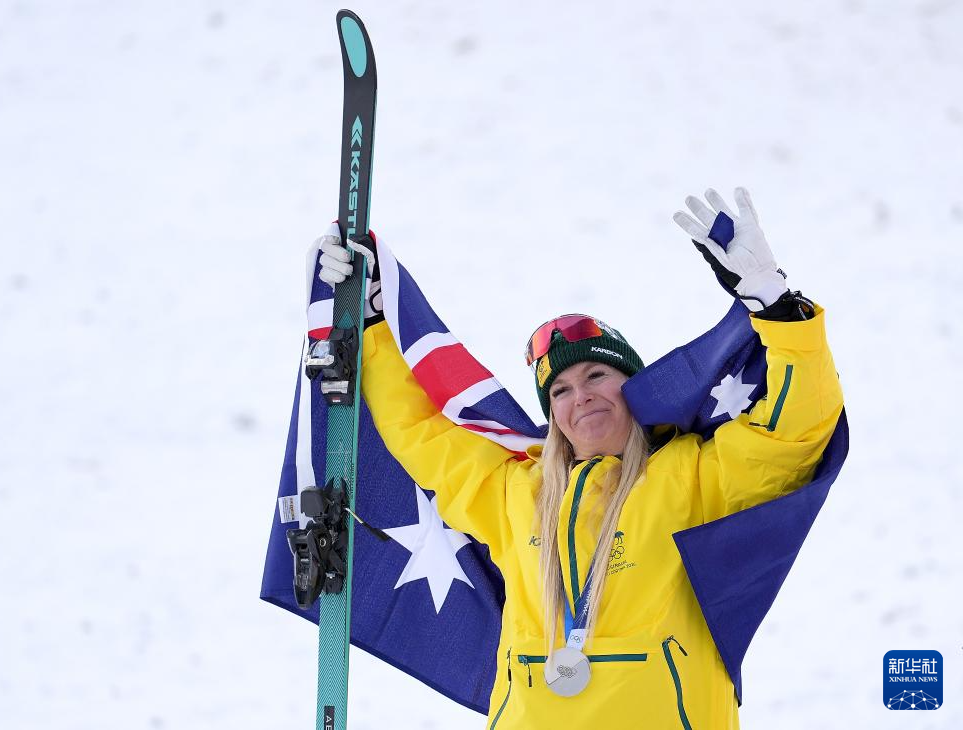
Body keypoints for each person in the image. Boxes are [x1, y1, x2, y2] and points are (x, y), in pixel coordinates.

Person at [315, 187, 843, 729]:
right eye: (560, 391)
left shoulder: (691, 477)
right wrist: (371, 320)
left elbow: (793, 433)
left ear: (632, 388)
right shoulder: (515, 493)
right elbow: (422, 431)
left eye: (596, 375)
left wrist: (775, 305)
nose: (581, 396)